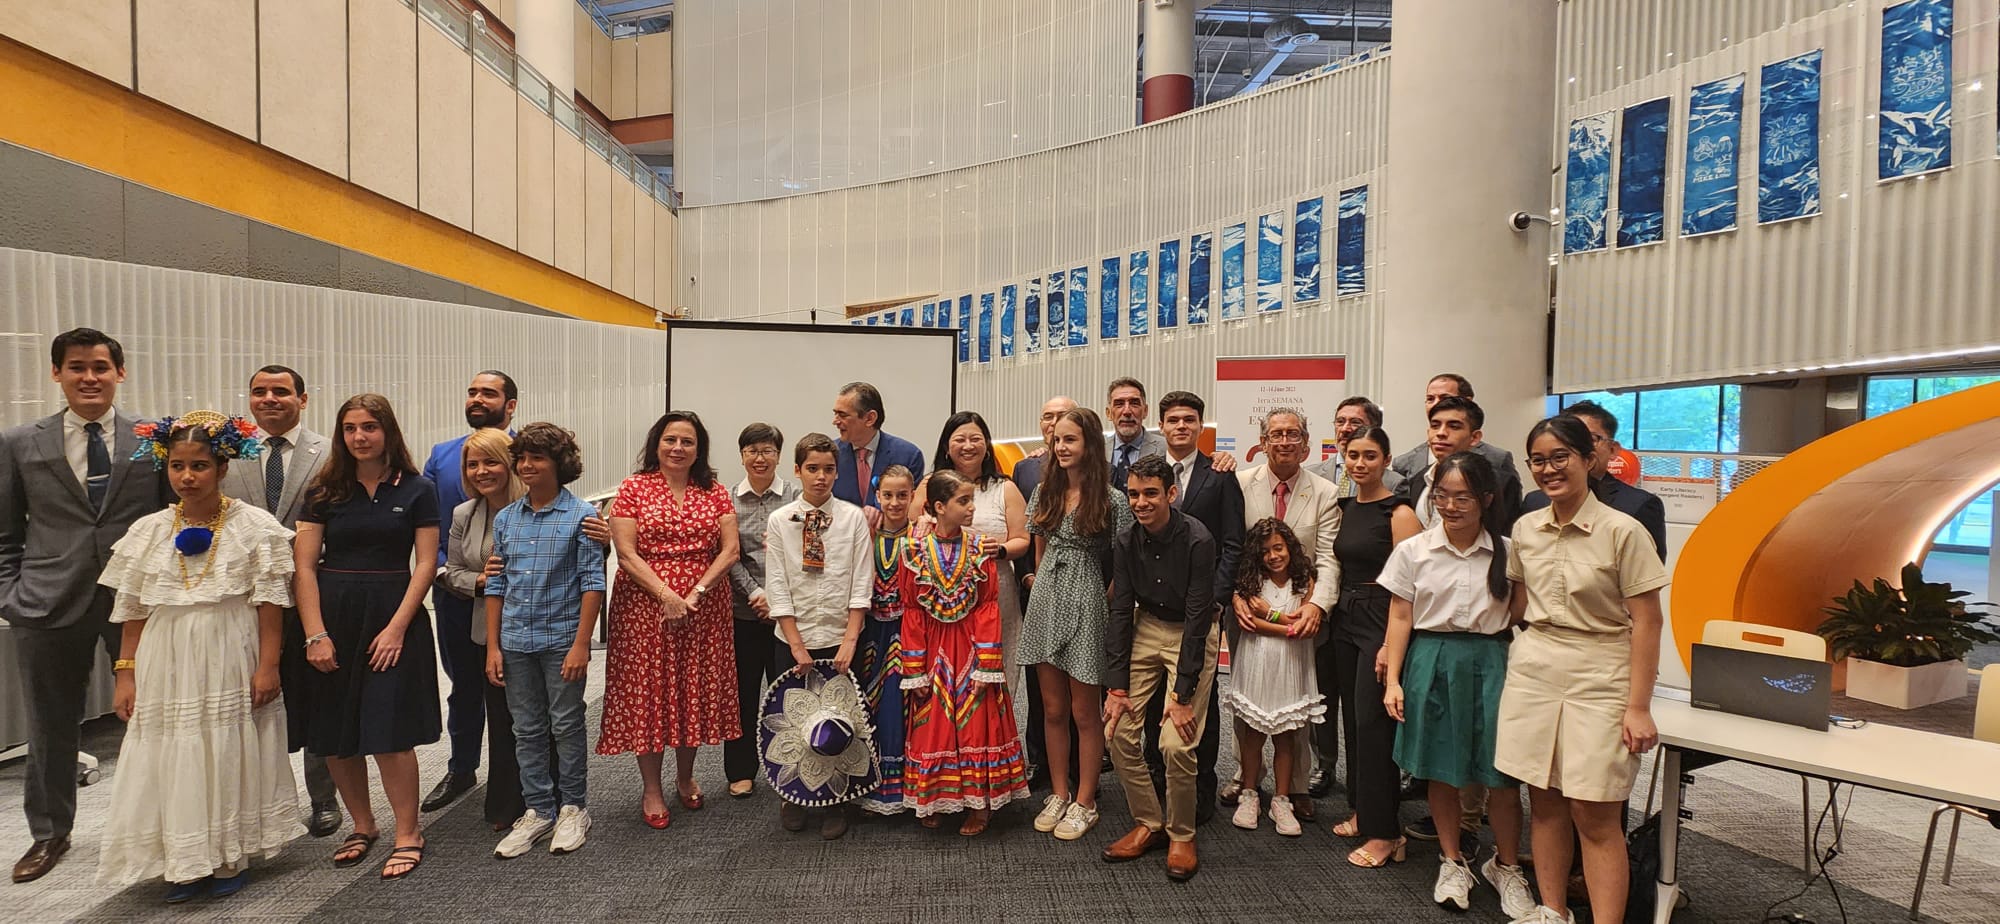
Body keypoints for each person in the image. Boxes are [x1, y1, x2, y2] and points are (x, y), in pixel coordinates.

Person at [95, 412, 301, 901]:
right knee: (172, 747)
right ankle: (183, 858)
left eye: (200, 466)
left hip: (231, 645)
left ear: (222, 468)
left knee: (225, 744)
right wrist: (125, 674)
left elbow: (271, 605)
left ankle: (228, 851)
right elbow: (134, 609)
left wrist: (268, 665)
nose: (188, 477)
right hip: (165, 652)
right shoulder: (147, 531)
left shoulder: (255, 526)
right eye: (179, 466)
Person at [0, 328, 169, 883]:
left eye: (100, 366)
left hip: (134, 602)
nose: (89, 377)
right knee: (51, 725)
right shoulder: (20, 443)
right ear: (57, 374)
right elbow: (6, 533)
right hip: (46, 603)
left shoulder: (151, 439)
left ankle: (168, 826)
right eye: (77, 367)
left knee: (156, 715)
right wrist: (11, 596)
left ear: (120, 372)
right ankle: (50, 834)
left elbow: (172, 519)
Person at [1495, 416, 1670, 924]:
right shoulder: (1526, 528)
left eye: (1560, 457)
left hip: (1602, 672)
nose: (1549, 469)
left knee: (1595, 813)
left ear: (1588, 459)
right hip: (1535, 668)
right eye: (1539, 460)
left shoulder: (1623, 530)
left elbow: (1648, 623)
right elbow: (1520, 604)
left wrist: (1638, 707)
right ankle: (1552, 911)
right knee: (1544, 802)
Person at [1380, 452, 1536, 918]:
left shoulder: (1509, 551)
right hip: (1432, 659)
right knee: (1441, 768)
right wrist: (1393, 680)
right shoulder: (1414, 551)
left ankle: (1506, 865)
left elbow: (1519, 614)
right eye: (1442, 496)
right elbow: (1401, 616)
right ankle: (1452, 860)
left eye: (1462, 497)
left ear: (1486, 499)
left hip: (1494, 660)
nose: (1450, 506)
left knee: (1502, 775)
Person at [292, 394, 441, 880]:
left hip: (393, 614)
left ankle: (407, 832)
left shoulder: (419, 488)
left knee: (390, 732)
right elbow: (304, 566)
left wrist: (397, 627)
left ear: (387, 432)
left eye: (370, 427)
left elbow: (424, 564)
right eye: (351, 428)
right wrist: (315, 633)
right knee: (336, 734)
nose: (360, 436)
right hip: (333, 616)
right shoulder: (324, 490)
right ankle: (362, 825)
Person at [600, 411, 742, 829]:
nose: (678, 448)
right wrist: (666, 594)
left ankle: (684, 775)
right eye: (670, 440)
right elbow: (626, 553)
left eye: (687, 442)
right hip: (645, 608)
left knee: (690, 690)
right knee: (650, 694)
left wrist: (694, 592)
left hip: (705, 606)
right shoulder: (633, 488)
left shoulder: (714, 492)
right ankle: (652, 788)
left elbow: (730, 550)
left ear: (699, 450)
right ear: (656, 444)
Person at [219, 365, 342, 838]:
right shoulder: (228, 454)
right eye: (259, 392)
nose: (269, 399)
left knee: (315, 700)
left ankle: (323, 800)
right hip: (245, 598)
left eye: (281, 392)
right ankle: (256, 806)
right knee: (250, 697)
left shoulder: (330, 454)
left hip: (313, 593)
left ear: (303, 399)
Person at [485, 423, 608, 858]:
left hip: (562, 640)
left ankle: (573, 807)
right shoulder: (505, 519)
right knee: (527, 728)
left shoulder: (582, 517)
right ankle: (538, 809)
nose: (526, 466)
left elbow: (593, 584)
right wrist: (494, 646)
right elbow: (496, 585)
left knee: (567, 725)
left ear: (559, 464)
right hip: (516, 641)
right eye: (521, 458)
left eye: (537, 457)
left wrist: (582, 645)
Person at [1018, 407, 1133, 843]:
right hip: (1046, 599)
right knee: (1050, 709)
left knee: (1085, 712)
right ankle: (1060, 792)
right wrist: (1043, 589)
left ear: (1089, 444)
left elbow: (1124, 564)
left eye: (1070, 440)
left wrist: (1099, 603)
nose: (1061, 447)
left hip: (1086, 599)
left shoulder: (1113, 499)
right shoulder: (1044, 491)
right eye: (1057, 440)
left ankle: (1086, 800)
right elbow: (1039, 551)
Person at [1101, 456, 1218, 880]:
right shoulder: (1126, 539)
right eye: (1133, 493)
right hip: (1146, 626)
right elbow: (1119, 611)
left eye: (1151, 493)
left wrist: (1182, 695)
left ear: (1171, 493)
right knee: (1116, 732)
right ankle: (1150, 823)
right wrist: (1116, 688)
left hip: (1192, 630)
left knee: (1175, 742)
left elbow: (1199, 614)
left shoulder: (1197, 539)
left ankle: (1182, 834)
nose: (1141, 502)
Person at [897, 469, 1030, 832]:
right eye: (963, 501)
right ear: (938, 507)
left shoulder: (981, 547)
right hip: (934, 651)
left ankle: (980, 804)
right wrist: (914, 668)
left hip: (972, 648)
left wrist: (988, 663)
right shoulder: (912, 550)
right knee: (933, 724)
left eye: (972, 499)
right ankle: (934, 796)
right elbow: (911, 610)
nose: (972, 508)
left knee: (976, 722)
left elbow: (988, 605)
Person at [1224, 407, 1340, 822]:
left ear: (1306, 442)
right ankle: (1246, 779)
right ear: (1263, 441)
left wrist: (1316, 605)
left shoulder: (1325, 492)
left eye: (1293, 434)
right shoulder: (1238, 486)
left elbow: (1327, 558)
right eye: (1276, 434)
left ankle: (1292, 788)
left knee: (1295, 704)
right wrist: (1235, 596)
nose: (1285, 441)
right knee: (1249, 703)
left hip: (1299, 609)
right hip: (1247, 612)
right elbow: (1233, 551)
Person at [764, 432, 874, 838]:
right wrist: (795, 642)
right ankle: (793, 793)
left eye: (829, 469)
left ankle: (836, 798)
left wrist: (849, 639)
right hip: (793, 636)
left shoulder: (852, 518)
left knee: (842, 721)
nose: (821, 477)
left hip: (840, 636)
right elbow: (777, 583)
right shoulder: (780, 520)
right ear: (798, 470)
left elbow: (862, 580)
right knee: (796, 720)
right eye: (812, 468)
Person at [418, 371, 517, 813]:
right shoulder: (441, 456)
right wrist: (447, 576)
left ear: (510, 405)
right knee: (463, 686)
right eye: (473, 392)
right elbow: (427, 529)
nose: (478, 399)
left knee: (516, 691)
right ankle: (461, 768)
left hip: (518, 603)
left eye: (489, 393)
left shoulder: (528, 452)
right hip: (455, 595)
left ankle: (512, 777)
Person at [1144, 391, 1241, 823]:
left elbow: (1232, 544)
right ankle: (1158, 786)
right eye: (1173, 420)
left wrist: (1218, 599)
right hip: (1154, 612)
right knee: (1153, 704)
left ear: (1201, 426)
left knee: (1201, 701)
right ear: (1161, 426)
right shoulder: (1147, 474)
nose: (1181, 426)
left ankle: (1201, 789)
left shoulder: (1218, 477)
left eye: (1189, 420)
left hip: (1204, 612)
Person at [1327, 427, 1421, 868]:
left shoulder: (1398, 512)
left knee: (1373, 726)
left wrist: (1389, 644)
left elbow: (1411, 586)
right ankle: (1364, 809)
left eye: (1369, 456)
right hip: (1346, 615)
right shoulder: (1345, 507)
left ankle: (1387, 834)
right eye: (1352, 455)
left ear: (1386, 460)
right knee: (1353, 721)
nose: (1359, 463)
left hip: (1382, 617)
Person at [439, 428, 531, 830]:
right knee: (502, 720)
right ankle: (507, 802)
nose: (481, 471)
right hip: (489, 633)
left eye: (490, 461)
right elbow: (451, 570)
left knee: (542, 719)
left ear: (510, 464)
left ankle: (553, 800)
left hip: (541, 628)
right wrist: (479, 582)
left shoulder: (538, 506)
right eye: (472, 464)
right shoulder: (465, 514)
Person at [1223, 517, 1322, 838]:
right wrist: (1281, 624)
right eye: (1265, 551)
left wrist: (1273, 615)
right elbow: (1252, 622)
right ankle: (1250, 792)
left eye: (1278, 548)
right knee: (1252, 734)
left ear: (1290, 547)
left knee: (1286, 737)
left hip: (1291, 668)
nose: (1273, 556)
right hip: (1257, 664)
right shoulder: (1251, 582)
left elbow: (1302, 620)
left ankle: (1281, 799)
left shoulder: (1305, 579)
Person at [921, 412, 1029, 684]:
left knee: (994, 676)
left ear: (987, 445)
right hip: (941, 598)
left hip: (995, 594)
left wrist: (1001, 549)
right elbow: (914, 532)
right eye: (959, 439)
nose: (968, 446)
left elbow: (1023, 539)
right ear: (946, 446)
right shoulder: (928, 486)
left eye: (975, 439)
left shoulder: (1005, 488)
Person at [723, 423, 798, 799]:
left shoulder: (796, 497)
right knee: (743, 694)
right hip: (744, 612)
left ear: (779, 456)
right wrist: (757, 593)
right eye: (752, 450)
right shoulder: (728, 500)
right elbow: (729, 555)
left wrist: (776, 597)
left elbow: (802, 554)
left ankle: (790, 768)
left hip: (789, 615)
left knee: (787, 693)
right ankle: (740, 770)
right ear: (742, 455)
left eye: (767, 450)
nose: (760, 457)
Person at [1010, 394, 1076, 786]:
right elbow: (1025, 530)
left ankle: (1082, 764)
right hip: (1035, 593)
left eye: (1062, 417)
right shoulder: (1024, 469)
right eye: (1047, 416)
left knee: (1081, 687)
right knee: (1040, 685)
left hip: (1081, 594)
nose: (1053, 424)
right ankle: (1040, 758)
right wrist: (1027, 577)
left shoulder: (1098, 471)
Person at [1520, 401, 1666, 561]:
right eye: (1566, 439)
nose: (1578, 446)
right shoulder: (1534, 503)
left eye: (1589, 438)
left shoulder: (1638, 505)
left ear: (1612, 449)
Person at [855, 464, 916, 815]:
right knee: (870, 702)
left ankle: (905, 785)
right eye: (888, 495)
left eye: (902, 495)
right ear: (877, 496)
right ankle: (871, 780)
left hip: (907, 633)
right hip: (871, 634)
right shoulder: (867, 534)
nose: (894, 502)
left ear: (912, 497)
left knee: (900, 703)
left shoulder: (921, 537)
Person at [1403, 396, 1523, 534]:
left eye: (1454, 426)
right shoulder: (1419, 479)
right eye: (1435, 426)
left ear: (1474, 437)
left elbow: (1505, 537)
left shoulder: (1501, 483)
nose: (1441, 433)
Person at [831, 381, 925, 511]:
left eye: (842, 415)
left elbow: (914, 510)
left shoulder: (908, 456)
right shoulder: (830, 455)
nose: (835, 421)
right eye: (835, 414)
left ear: (870, 418)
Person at [1308, 396, 1405, 496]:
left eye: (1355, 422)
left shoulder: (1393, 483)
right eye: (1340, 422)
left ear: (1374, 429)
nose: (1345, 429)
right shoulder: (1311, 476)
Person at [1105, 378, 1167, 490]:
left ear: (1145, 411)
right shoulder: (1096, 450)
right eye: (1119, 404)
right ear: (1109, 413)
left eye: (1134, 403)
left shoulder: (1166, 448)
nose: (1127, 411)